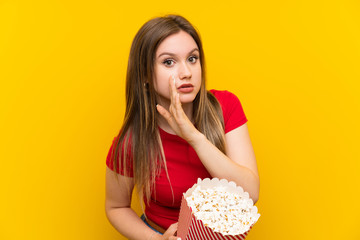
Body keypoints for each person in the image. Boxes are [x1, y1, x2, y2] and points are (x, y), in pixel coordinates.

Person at [105, 14, 259, 240]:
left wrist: (194, 137)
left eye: (192, 59)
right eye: (169, 62)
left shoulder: (226, 107)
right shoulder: (132, 140)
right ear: (145, 74)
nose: (186, 72)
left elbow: (250, 194)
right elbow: (116, 208)